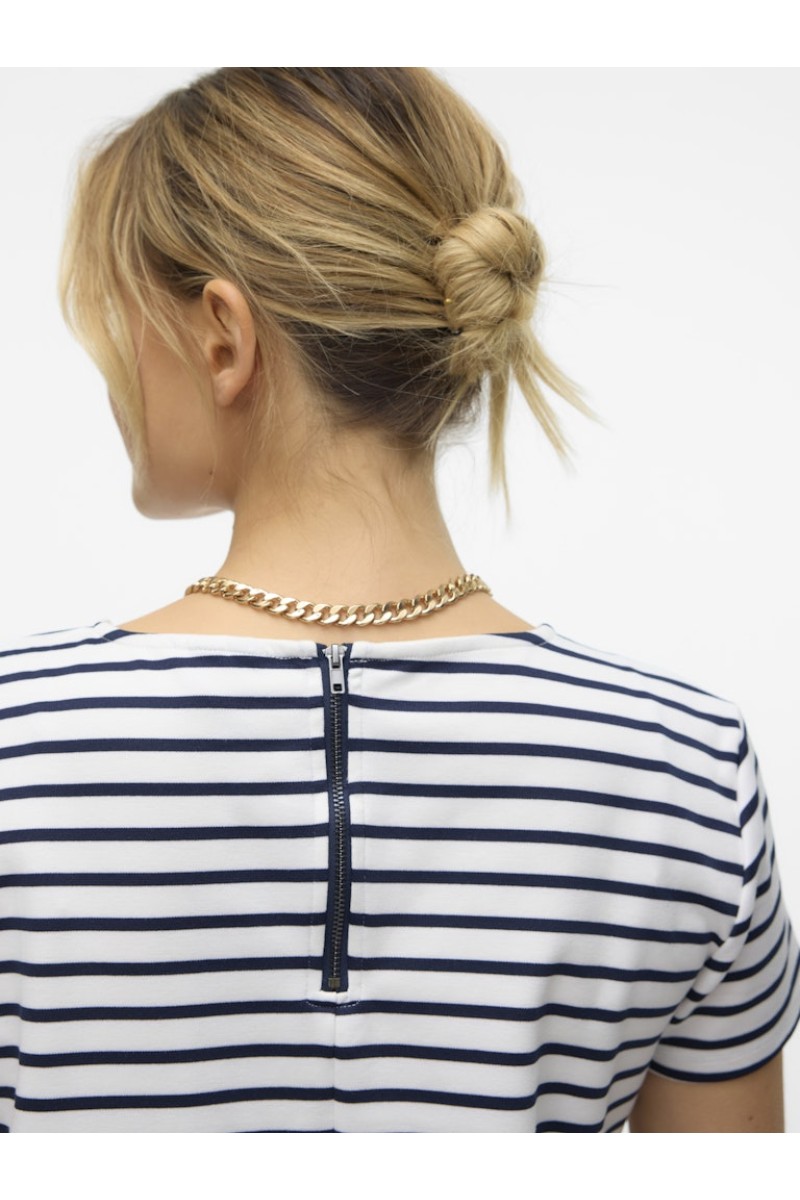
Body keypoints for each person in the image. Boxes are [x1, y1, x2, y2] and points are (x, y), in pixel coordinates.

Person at [0, 68, 796, 1133]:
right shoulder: (684, 766)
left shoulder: (17, 738)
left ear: (221, 337)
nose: (107, 367)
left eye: (115, 314)